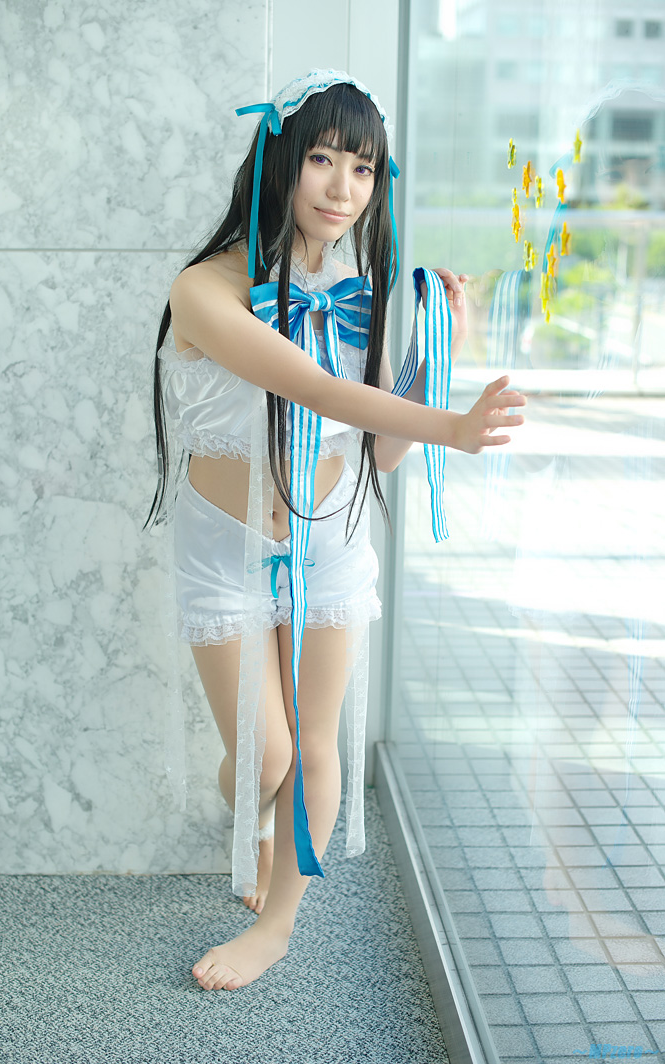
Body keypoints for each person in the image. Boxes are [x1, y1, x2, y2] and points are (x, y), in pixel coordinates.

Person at [145, 70, 525, 992]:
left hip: (329, 539)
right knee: (265, 756)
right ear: (279, 160)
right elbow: (311, 389)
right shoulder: (204, 289)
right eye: (322, 158)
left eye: (362, 169)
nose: (342, 188)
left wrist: (433, 357)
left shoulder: (359, 292)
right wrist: (455, 430)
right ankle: (258, 811)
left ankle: (276, 926)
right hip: (226, 545)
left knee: (314, 742)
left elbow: (379, 453)